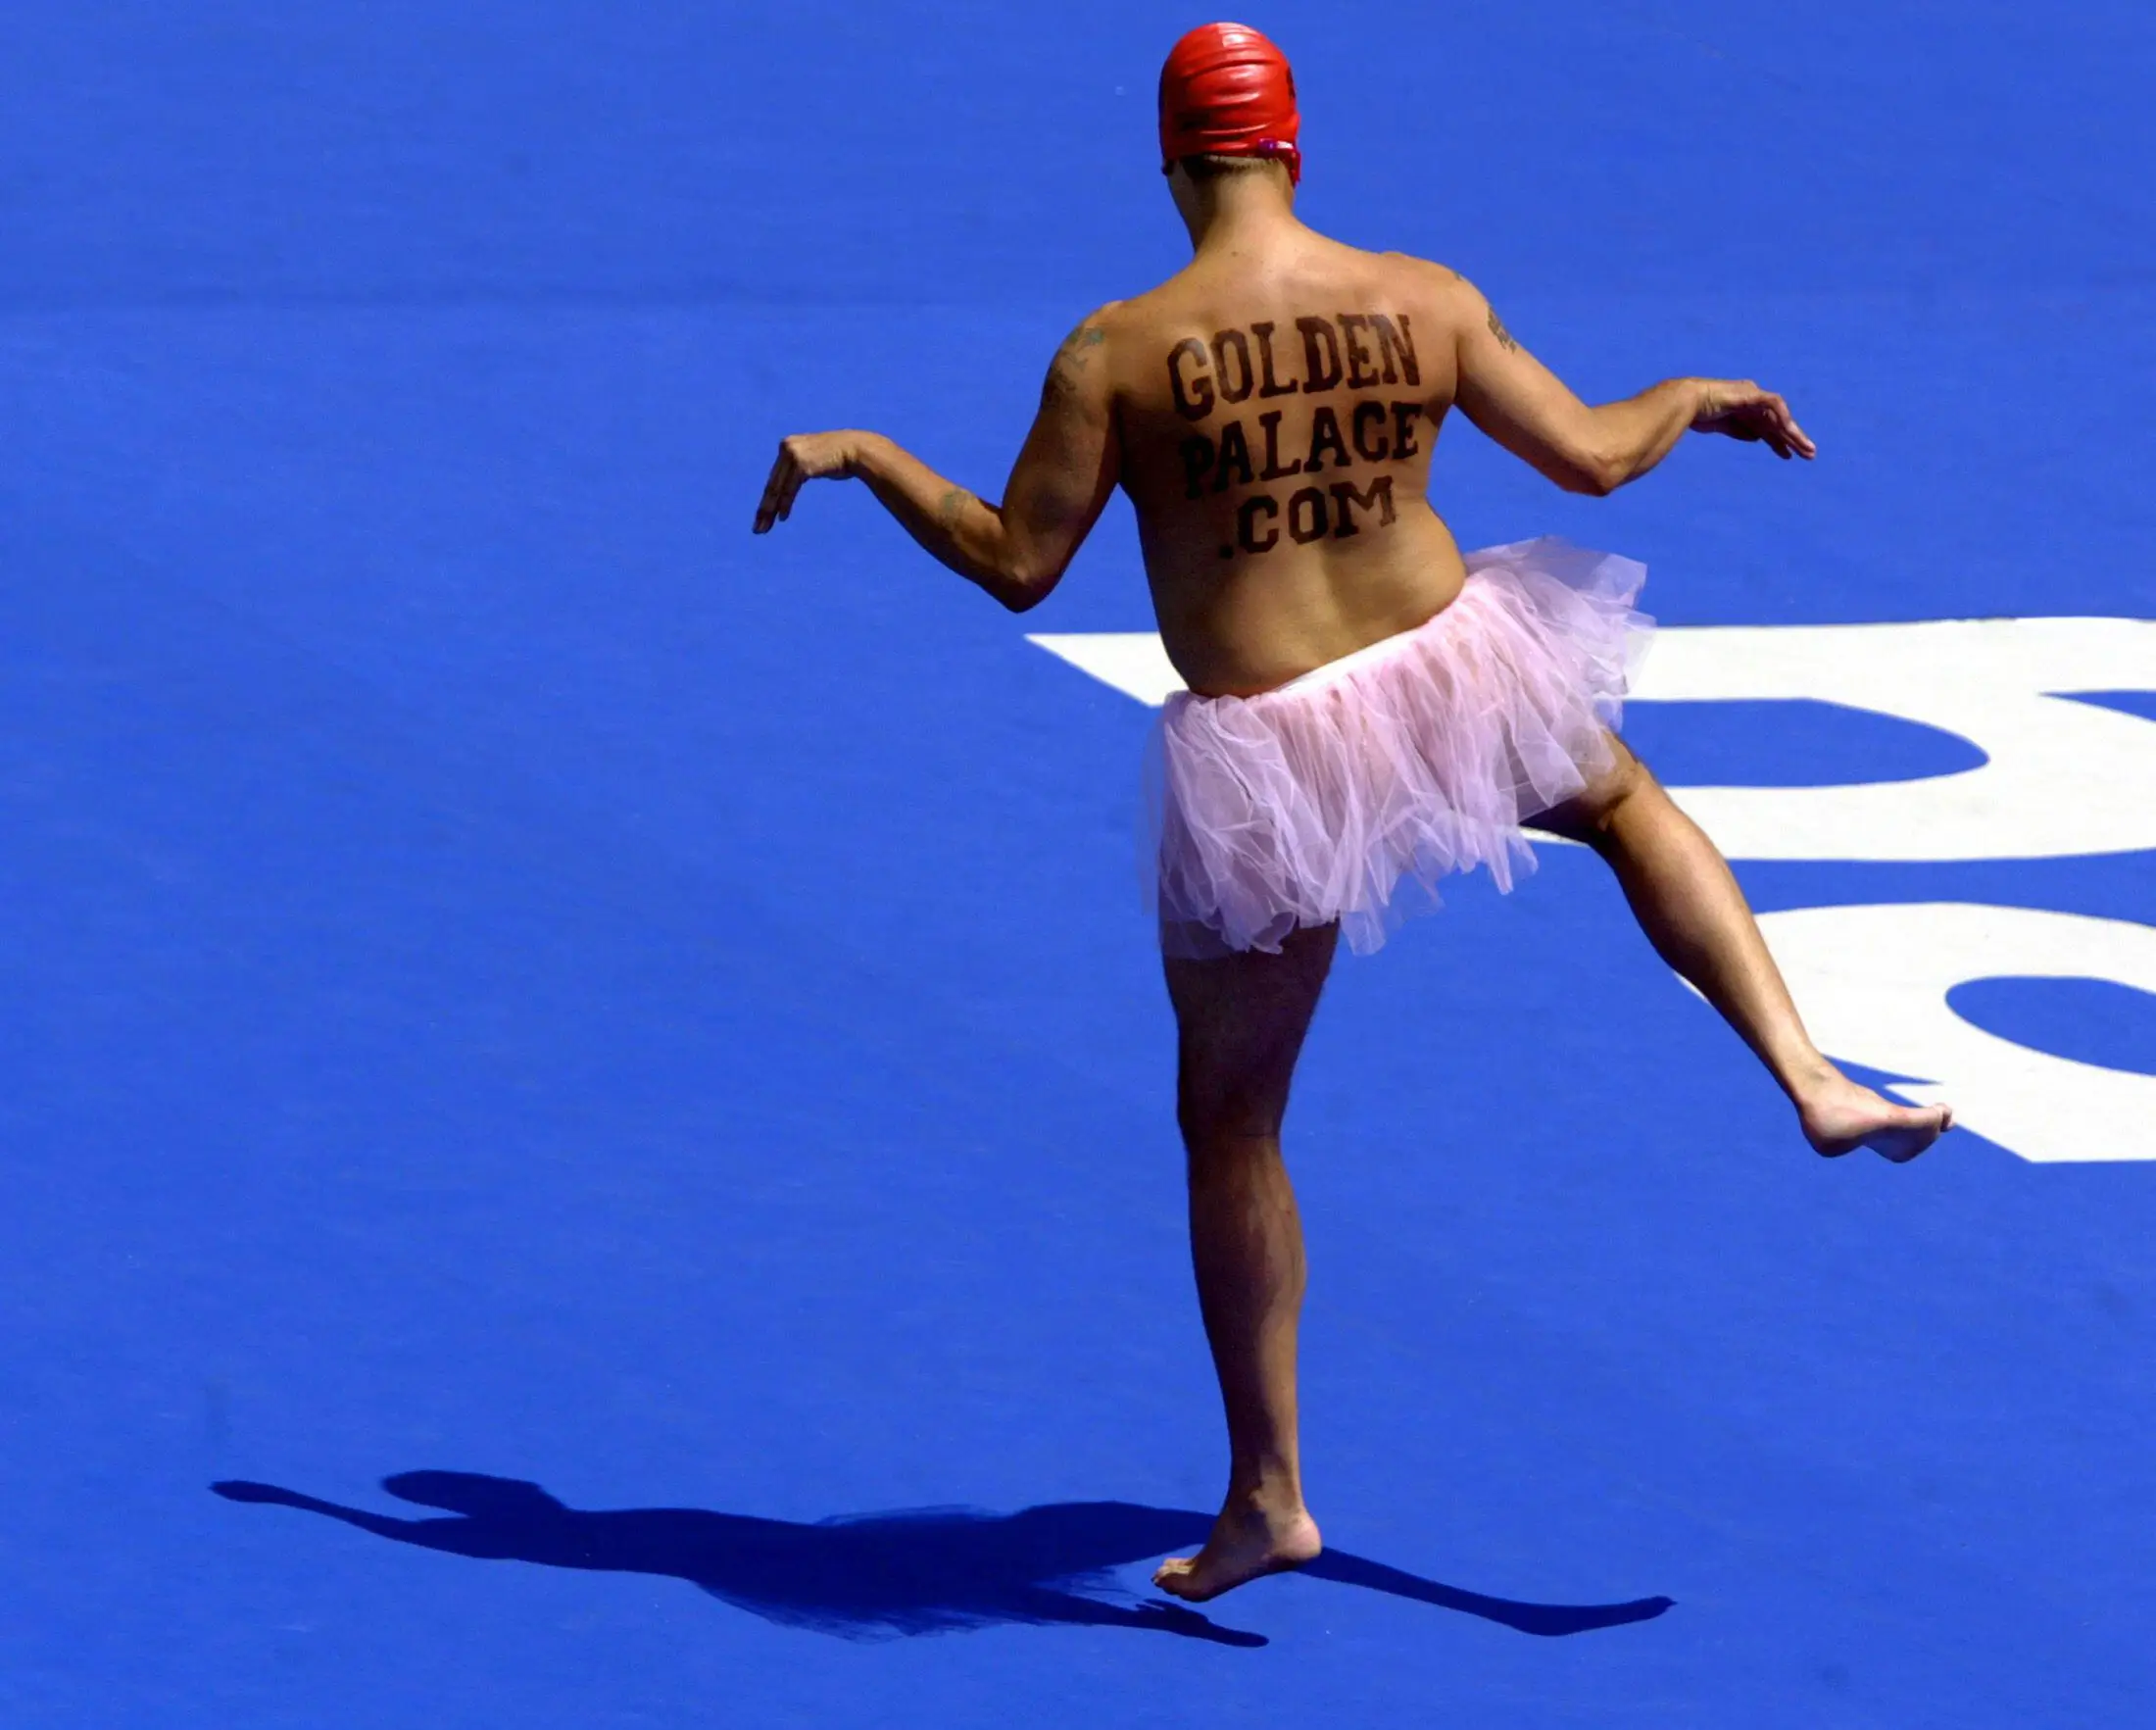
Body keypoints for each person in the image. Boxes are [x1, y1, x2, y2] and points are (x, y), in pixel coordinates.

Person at [753, 22, 1953, 1605]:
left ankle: (1270, 1496)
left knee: (1233, 1128)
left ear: (1171, 162)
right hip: (1450, 671)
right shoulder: (1422, 297)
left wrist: (867, 454)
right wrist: (1698, 396)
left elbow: (1016, 563)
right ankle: (1809, 1074)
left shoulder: (1117, 351)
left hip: (1269, 754)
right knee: (1623, 806)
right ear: (1292, 149)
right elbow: (1596, 459)